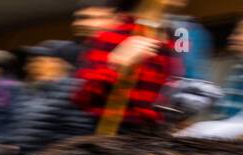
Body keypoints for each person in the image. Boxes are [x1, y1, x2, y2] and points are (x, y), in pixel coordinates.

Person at [71, 0, 186, 132]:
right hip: (117, 136)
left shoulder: (177, 37)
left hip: (158, 134)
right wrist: (116, 65)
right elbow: (82, 97)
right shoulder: (112, 36)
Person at [10, 41, 96, 155]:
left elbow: (80, 135)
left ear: (60, 63)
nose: (30, 66)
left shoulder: (76, 90)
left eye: (39, 61)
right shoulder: (36, 90)